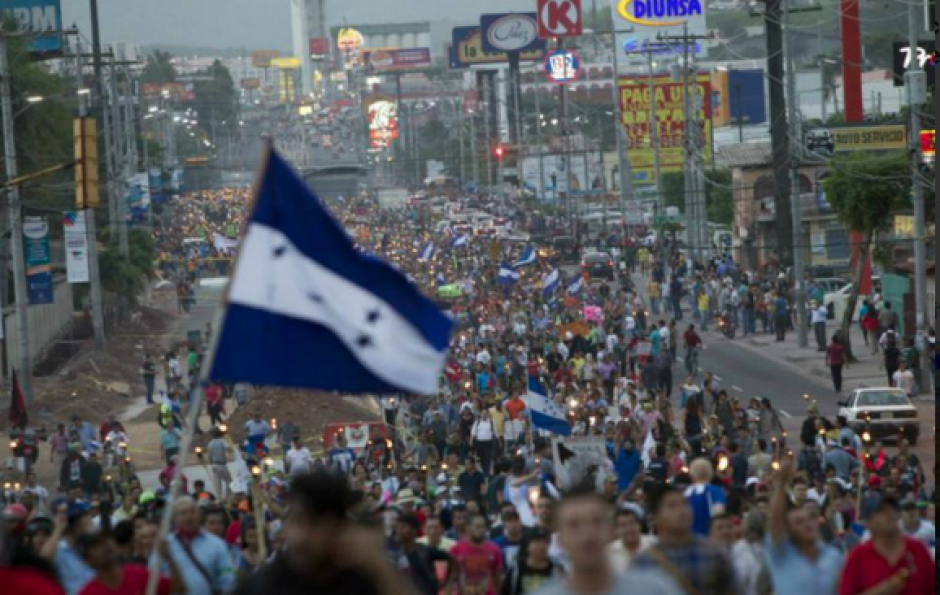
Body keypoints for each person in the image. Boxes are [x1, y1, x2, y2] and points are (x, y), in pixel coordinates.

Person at [233, 471, 415, 595]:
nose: (301, 537)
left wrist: (378, 564)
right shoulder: (263, 586)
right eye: (296, 521)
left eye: (315, 525)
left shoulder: (362, 581)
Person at [535, 487, 681, 595]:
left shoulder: (657, 590)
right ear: (560, 539)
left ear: (611, 531)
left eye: (596, 522)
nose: (587, 536)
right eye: (574, 525)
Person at [633, 486, 739, 595]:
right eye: (672, 506)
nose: (681, 511)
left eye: (685, 504)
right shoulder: (645, 562)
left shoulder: (714, 554)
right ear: (655, 517)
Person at [767, 458, 844, 595]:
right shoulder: (783, 555)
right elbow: (775, 522)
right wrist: (780, 486)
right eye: (798, 522)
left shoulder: (833, 556)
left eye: (810, 519)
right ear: (789, 529)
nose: (806, 524)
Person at [838, 498, 935, 595]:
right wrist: (883, 590)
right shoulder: (858, 556)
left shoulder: (918, 549)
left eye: (892, 509)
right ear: (868, 522)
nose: (889, 514)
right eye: (881, 511)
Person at [165, 497, 235, 595]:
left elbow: (227, 579)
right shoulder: (164, 545)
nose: (188, 517)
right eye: (183, 513)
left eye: (192, 512)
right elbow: (155, 579)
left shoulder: (217, 545)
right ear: (175, 519)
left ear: (199, 515)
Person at [76, 533, 184, 595]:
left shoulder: (139, 573)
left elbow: (179, 588)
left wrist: (169, 557)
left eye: (106, 541)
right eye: (96, 545)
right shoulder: (87, 593)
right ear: (88, 559)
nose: (105, 546)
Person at [389, 513, 453, 595]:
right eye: (397, 527)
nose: (398, 531)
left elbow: (452, 560)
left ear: (414, 530)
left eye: (403, 527)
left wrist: (447, 584)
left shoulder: (425, 551)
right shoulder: (394, 553)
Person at [450, 513, 503, 595]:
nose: (481, 530)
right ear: (468, 528)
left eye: (483, 526)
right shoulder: (456, 550)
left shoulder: (494, 550)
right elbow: (451, 577)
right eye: (477, 526)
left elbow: (498, 577)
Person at [502, 527, 559, 595]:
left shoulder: (557, 569)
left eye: (545, 542)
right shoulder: (516, 570)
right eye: (537, 541)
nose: (542, 546)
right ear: (527, 545)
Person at [685, 459, 727, 537]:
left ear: (691, 474)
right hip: (708, 538)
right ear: (711, 473)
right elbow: (719, 513)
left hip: (688, 539)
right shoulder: (716, 491)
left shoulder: (685, 493)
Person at [607, 506, 655, 573]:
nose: (628, 529)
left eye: (632, 523)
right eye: (623, 525)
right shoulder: (608, 553)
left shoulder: (654, 545)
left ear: (640, 526)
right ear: (616, 530)